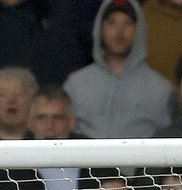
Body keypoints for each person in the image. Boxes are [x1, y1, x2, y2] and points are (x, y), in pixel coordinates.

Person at [65, 0, 172, 139]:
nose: (119, 31)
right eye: (112, 22)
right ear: (100, 28)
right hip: (86, 160)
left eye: (128, 23)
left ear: (140, 30)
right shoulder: (75, 85)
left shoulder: (161, 89)